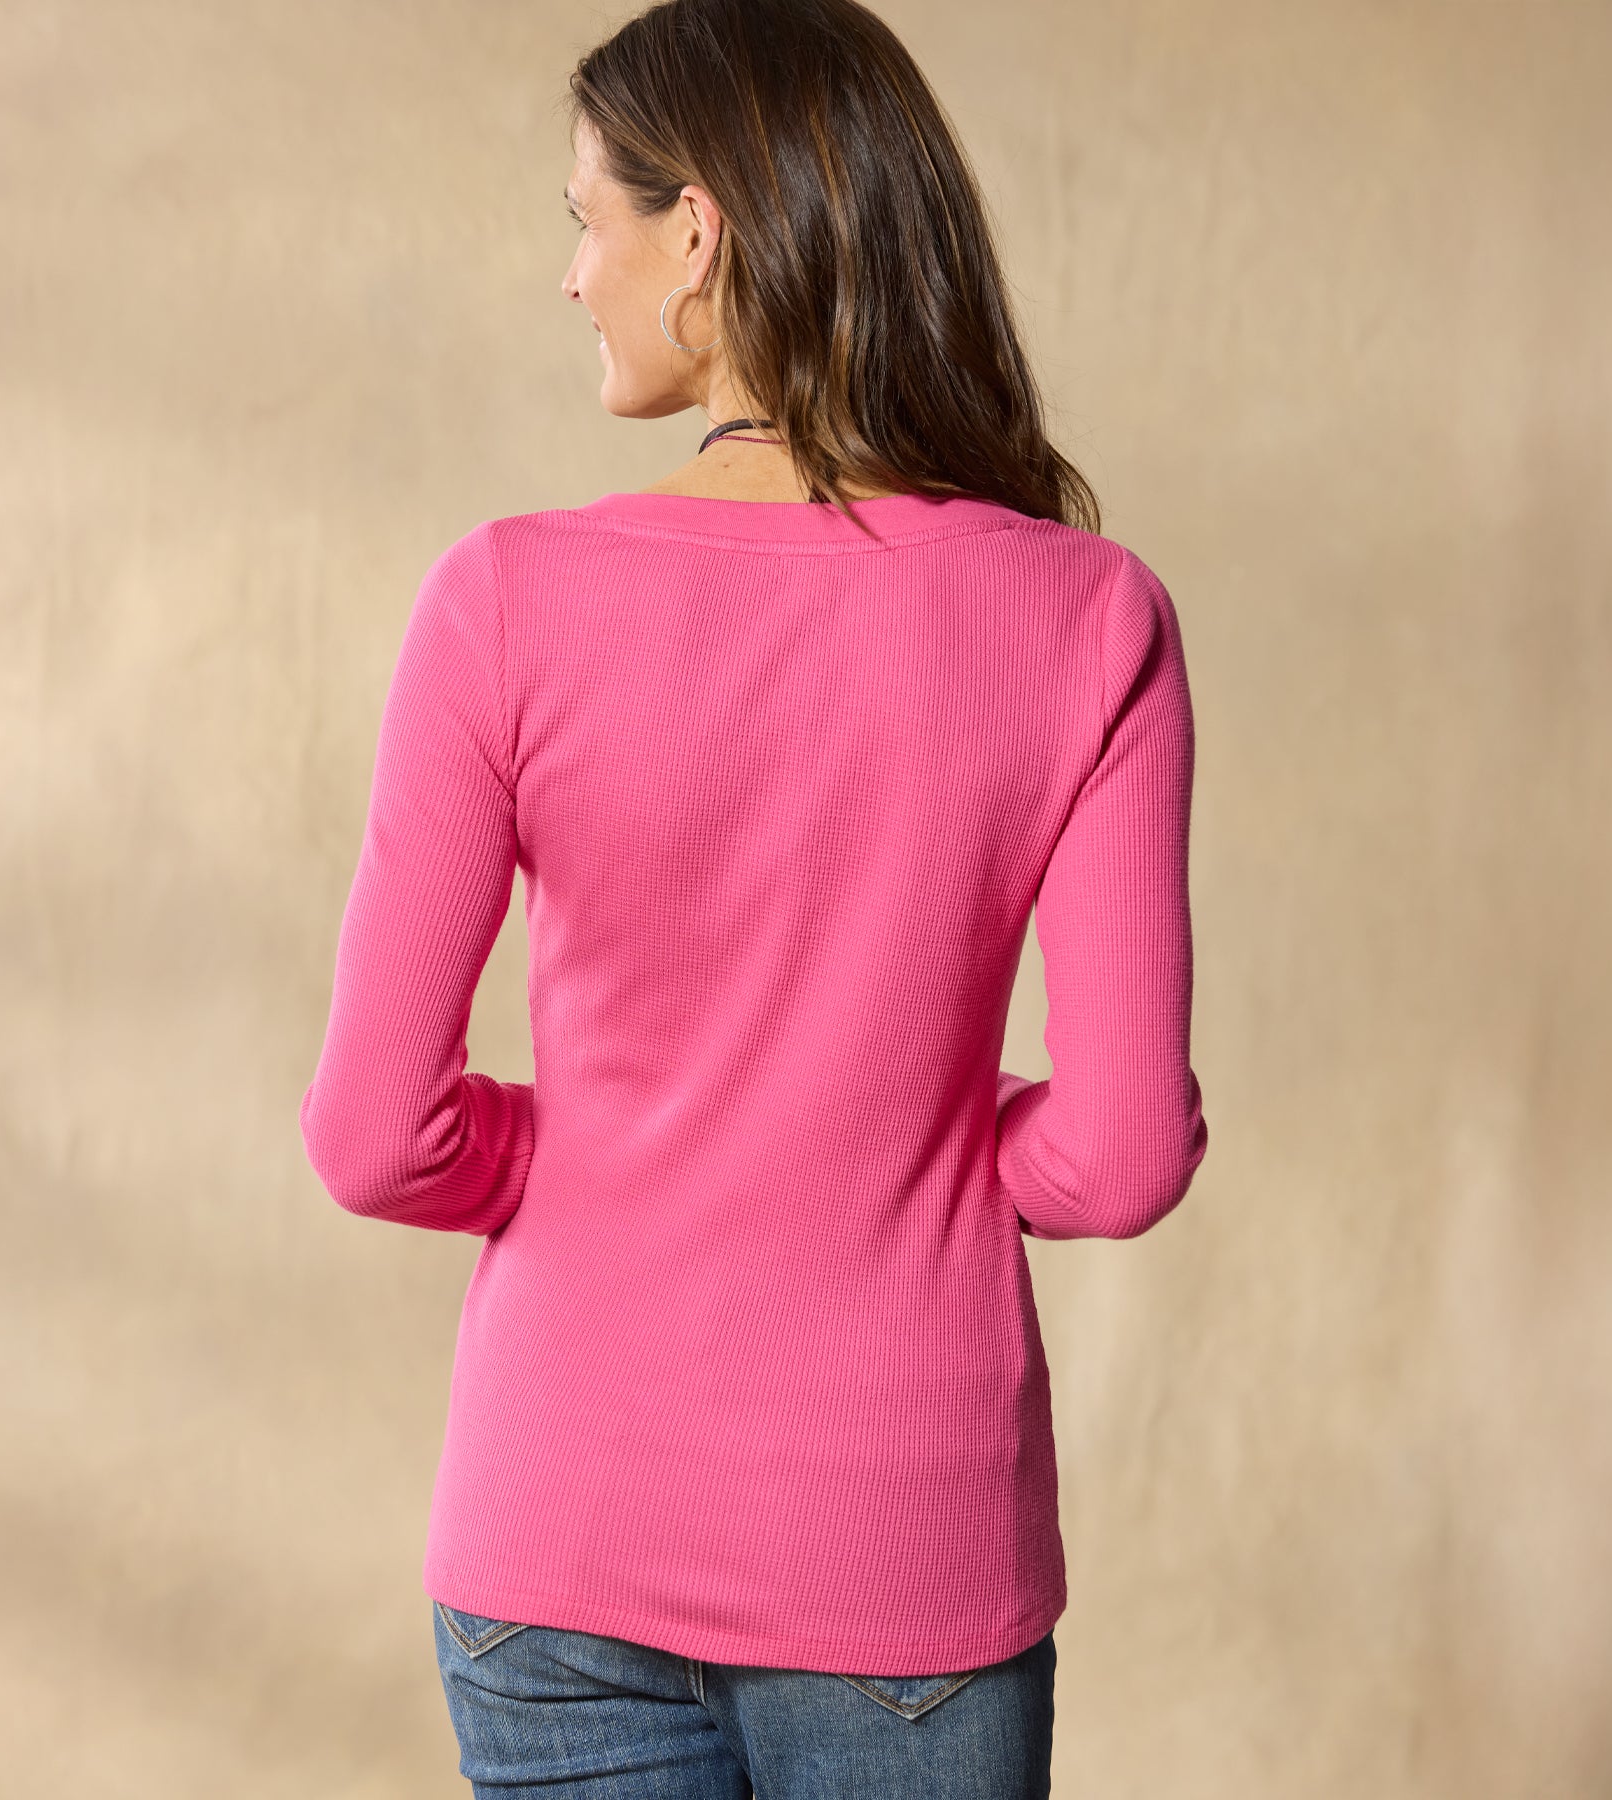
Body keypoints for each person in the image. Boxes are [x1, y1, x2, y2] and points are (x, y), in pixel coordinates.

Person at [298, 0, 1210, 1791]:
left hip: (554, 1537)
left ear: (697, 233)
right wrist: (910, 1142)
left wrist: (587, 1147)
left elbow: (374, 1140)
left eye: (589, 220)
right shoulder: (1089, 617)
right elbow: (1118, 1160)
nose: (574, 274)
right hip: (900, 1560)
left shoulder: (501, 603)